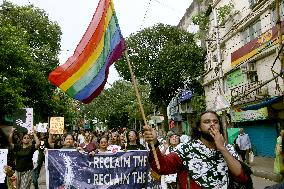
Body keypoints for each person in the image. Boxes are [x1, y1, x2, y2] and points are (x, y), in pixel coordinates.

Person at [144, 110, 253, 189]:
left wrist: (222, 148)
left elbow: (241, 177)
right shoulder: (185, 148)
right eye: (207, 122)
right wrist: (154, 143)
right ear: (199, 128)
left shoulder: (228, 148)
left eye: (215, 122)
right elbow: (161, 167)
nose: (212, 125)